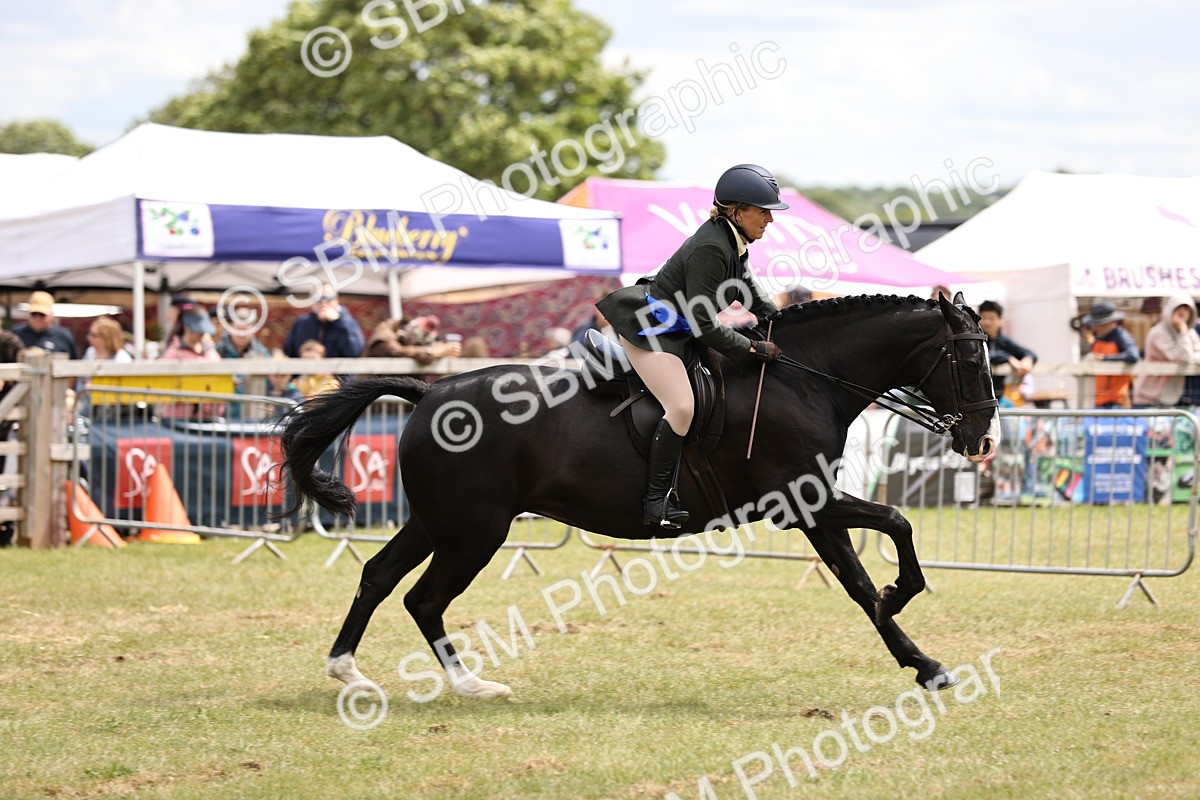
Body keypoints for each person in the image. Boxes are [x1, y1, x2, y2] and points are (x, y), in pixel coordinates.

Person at [596, 163, 786, 529]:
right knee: (682, 406)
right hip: (651, 330)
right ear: (737, 211)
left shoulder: (733, 241)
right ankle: (656, 501)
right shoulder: (712, 247)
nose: (769, 220)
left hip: (676, 330)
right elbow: (703, 324)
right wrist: (751, 348)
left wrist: (782, 323)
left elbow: (749, 292)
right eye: (763, 211)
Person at [1133, 294, 1200, 407]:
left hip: (1171, 399)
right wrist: (1183, 330)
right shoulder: (1158, 333)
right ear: (1170, 310)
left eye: (1186, 308)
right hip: (1149, 399)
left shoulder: (1190, 333)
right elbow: (1183, 357)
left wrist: (1184, 332)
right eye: (1178, 308)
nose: (1182, 312)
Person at [158, 308, 223, 420]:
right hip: (179, 419)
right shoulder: (173, 354)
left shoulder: (210, 351)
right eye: (199, 330)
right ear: (187, 328)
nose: (202, 333)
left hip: (209, 417)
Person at [1081, 301, 1140, 408]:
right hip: (1098, 398)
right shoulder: (1099, 337)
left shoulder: (1121, 336)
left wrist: (1106, 359)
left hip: (1116, 400)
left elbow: (1133, 355)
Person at [283, 284, 365, 360]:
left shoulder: (348, 323)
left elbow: (354, 352)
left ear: (336, 300)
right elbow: (289, 352)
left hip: (337, 374)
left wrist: (337, 322)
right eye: (318, 299)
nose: (323, 303)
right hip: (307, 373)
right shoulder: (302, 323)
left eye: (328, 299)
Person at [977, 300, 1036, 402]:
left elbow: (1028, 353)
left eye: (992, 318)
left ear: (1000, 320)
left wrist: (1028, 360)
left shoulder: (1004, 341)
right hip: (978, 394)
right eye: (984, 318)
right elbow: (982, 355)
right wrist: (1008, 358)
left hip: (1000, 395)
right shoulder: (975, 340)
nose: (987, 322)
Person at [363, 315, 462, 363]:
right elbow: (396, 351)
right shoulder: (386, 330)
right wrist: (431, 352)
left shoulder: (424, 337)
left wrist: (446, 351)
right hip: (374, 392)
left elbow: (436, 347)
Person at [13, 291, 79, 358]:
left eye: (42, 315)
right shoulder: (16, 334)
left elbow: (74, 362)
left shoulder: (63, 336)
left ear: (51, 314)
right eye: (34, 314)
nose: (37, 318)